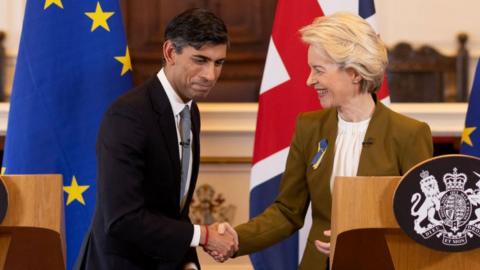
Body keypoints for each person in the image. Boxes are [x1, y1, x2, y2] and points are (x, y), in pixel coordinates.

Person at [211, 12, 433, 269]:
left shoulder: (408, 134)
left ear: (354, 73)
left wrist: (363, 244)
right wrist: (237, 238)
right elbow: (287, 212)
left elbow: (421, 222)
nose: (309, 80)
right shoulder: (310, 127)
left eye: (318, 70)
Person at [75, 8, 237, 270]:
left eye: (218, 63)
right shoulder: (128, 115)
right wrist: (202, 236)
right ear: (170, 52)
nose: (210, 75)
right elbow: (122, 218)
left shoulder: (190, 110)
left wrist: (187, 262)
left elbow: (174, 210)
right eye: (200, 60)